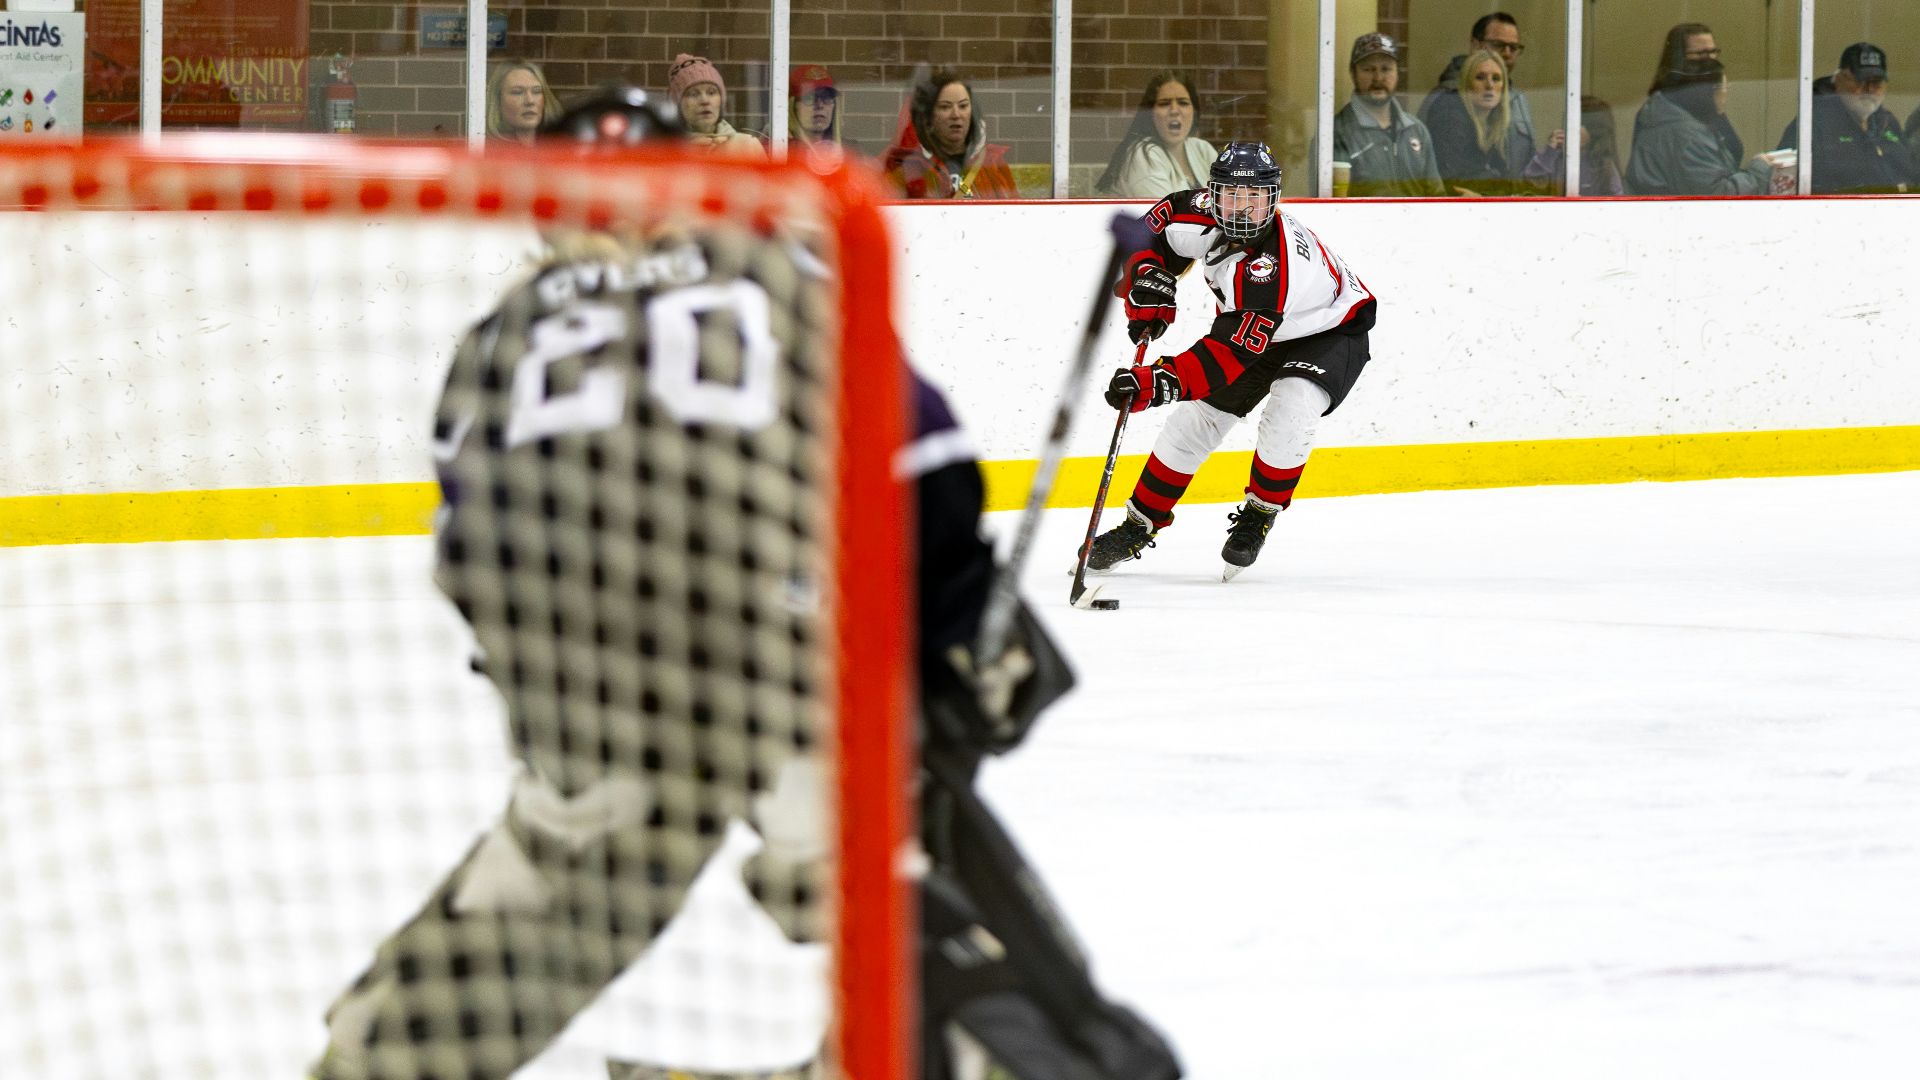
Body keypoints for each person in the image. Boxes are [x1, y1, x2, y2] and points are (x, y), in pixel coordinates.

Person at [309, 84, 1177, 1080]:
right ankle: (966, 1044)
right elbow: (919, 453)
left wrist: (553, 719)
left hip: (575, 659)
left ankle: (378, 1058)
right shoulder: (779, 264)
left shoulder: (501, 331)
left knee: (562, 868)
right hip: (781, 636)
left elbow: (471, 549)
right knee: (871, 859)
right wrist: (955, 624)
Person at [1083, 142, 1377, 581]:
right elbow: (1143, 240)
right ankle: (1138, 525)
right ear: (1213, 194)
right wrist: (1148, 283)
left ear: (1273, 200)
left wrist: (1154, 383)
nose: (1242, 208)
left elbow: (1225, 358)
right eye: (1232, 196)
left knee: (1291, 407)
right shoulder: (1194, 211)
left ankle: (1261, 510)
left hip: (1330, 331)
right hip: (1252, 329)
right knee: (1194, 423)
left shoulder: (1274, 269)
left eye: (1254, 197)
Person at [1777, 42, 1914, 194]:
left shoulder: (1888, 124)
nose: (1869, 90)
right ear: (1839, 79)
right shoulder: (1811, 125)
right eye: (1861, 81)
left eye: (1876, 83)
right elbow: (1784, 187)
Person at [1625, 58, 1773, 196]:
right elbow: (1716, 196)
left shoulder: (1665, 119)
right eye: (1724, 87)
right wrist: (1758, 171)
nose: (1726, 94)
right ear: (1707, 93)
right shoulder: (1689, 137)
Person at [1332, 33, 1444, 197]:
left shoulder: (1417, 130)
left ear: (1398, 73)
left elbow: (1437, 196)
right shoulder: (1337, 133)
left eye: (1386, 69)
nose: (1378, 78)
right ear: (1353, 73)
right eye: (1368, 69)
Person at [883, 70, 1019, 199]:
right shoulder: (909, 169)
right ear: (929, 117)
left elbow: (1015, 216)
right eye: (945, 107)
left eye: (963, 106)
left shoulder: (992, 164)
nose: (956, 115)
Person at [1418, 12, 1537, 152]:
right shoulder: (1448, 99)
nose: (1507, 53)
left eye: (1513, 47)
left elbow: (1528, 159)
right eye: (1498, 44)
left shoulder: (1518, 99)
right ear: (1475, 45)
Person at [1424, 49, 1536, 196]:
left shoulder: (1494, 123)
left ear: (1504, 88)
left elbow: (1506, 180)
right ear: (1467, 84)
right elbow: (1452, 183)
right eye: (1480, 77)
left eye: (1496, 78)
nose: (1489, 85)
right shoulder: (1449, 113)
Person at [1094, 71, 1218, 198]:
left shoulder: (1202, 149)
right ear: (1150, 113)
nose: (1174, 110)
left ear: (1194, 111)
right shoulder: (1143, 154)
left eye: (1183, 103)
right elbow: (1167, 214)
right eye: (1164, 103)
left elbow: (1232, 200)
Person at [1643, 24, 1743, 164]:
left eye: (1713, 52)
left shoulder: (1705, 103)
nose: (1710, 60)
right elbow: (1711, 179)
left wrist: (1718, 107)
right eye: (1701, 54)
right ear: (1678, 58)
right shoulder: (1668, 110)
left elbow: (1733, 151)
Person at [667, 52, 766, 157]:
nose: (705, 101)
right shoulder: (665, 152)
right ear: (677, 104)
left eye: (711, 92)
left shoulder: (747, 147)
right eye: (693, 94)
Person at [1523, 95, 1626, 196]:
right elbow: (1529, 186)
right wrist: (1549, 152)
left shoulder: (1603, 165)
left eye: (1578, 124)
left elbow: (1616, 201)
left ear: (1593, 132)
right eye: (1567, 123)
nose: (1569, 128)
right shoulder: (1554, 157)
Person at [787, 62, 859, 154]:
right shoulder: (779, 149)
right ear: (792, 106)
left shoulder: (849, 151)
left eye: (827, 98)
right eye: (809, 98)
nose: (820, 105)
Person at [486, 60, 559, 147]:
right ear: (498, 101)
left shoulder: (563, 147)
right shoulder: (484, 151)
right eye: (517, 92)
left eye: (536, 91)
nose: (530, 101)